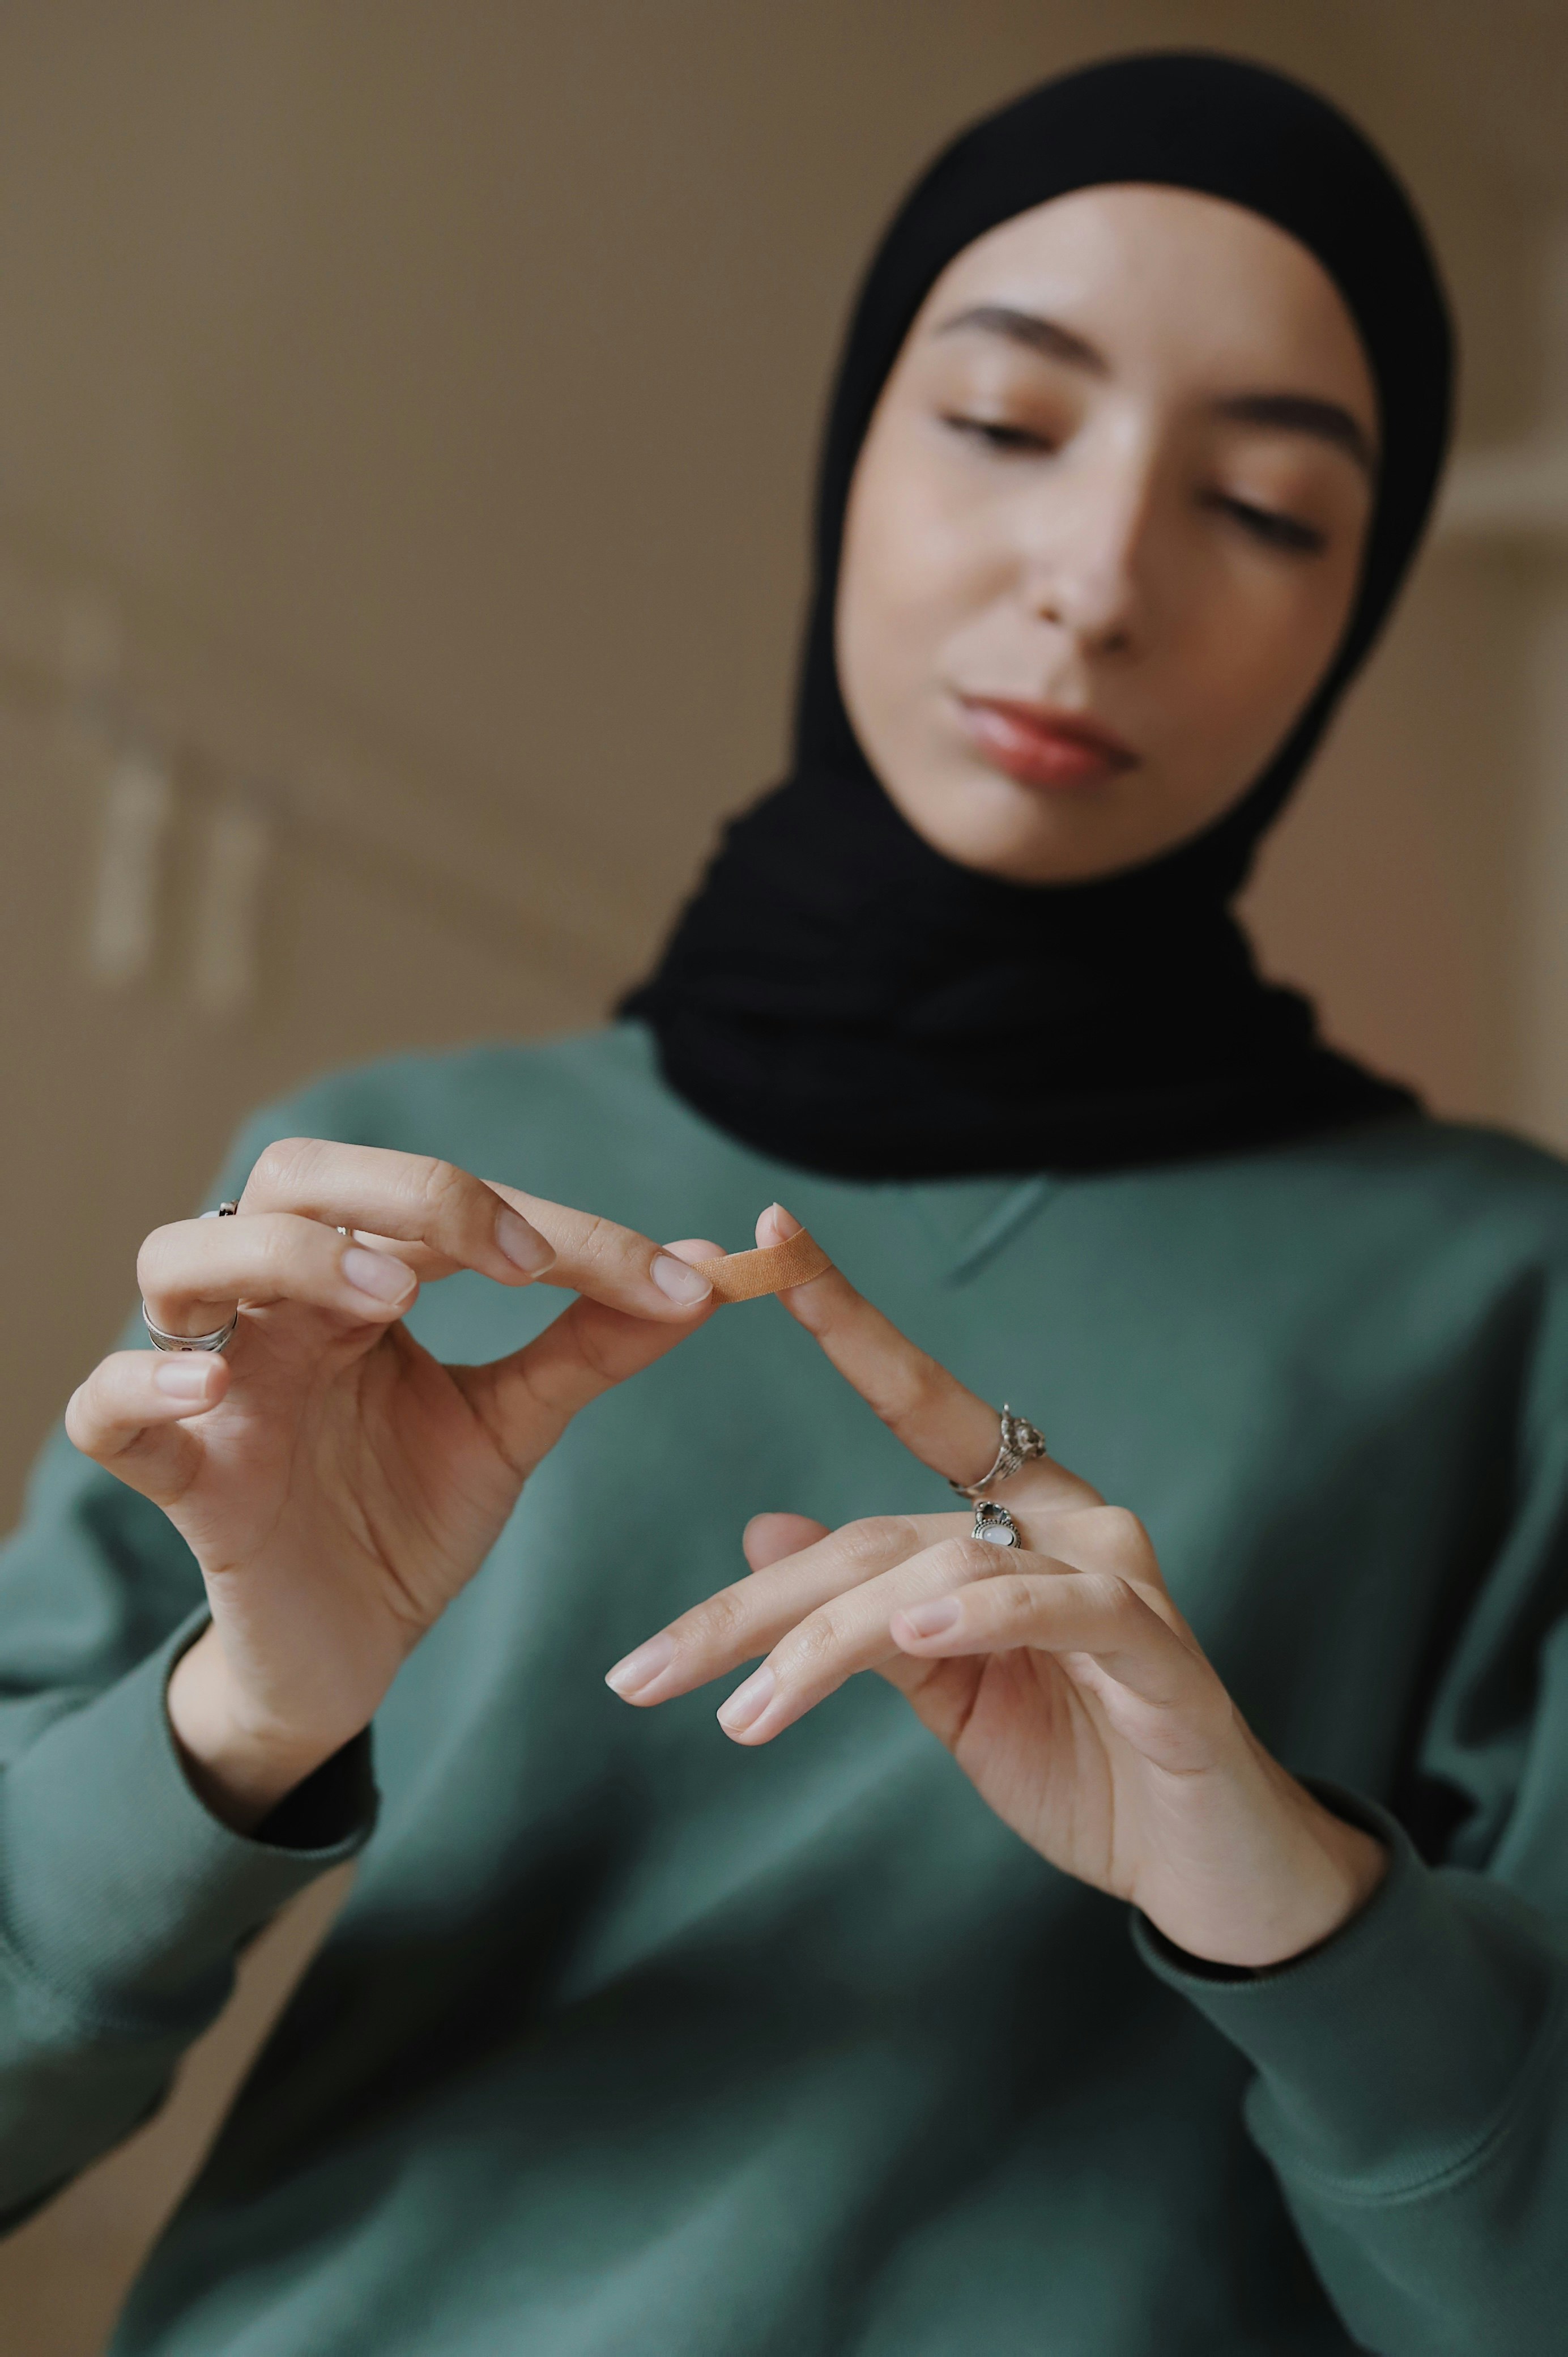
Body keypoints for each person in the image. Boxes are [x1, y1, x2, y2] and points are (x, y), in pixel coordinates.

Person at [2, 48, 1563, 2356]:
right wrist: (239, 1715)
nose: (1097, 576)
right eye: (1008, 426)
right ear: (851, 456)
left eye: (1258, 506)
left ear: (1341, 613)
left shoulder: (1496, 1298)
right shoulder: (370, 1191)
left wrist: (1285, 1898)